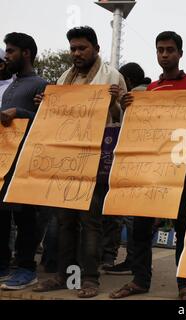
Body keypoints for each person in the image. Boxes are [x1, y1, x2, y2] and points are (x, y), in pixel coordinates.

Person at [110, 31, 186, 300]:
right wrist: (126, 107)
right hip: (149, 168)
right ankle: (140, 280)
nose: (164, 54)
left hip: (181, 165)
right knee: (141, 226)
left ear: (180, 53)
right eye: (160, 50)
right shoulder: (150, 90)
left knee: (182, 225)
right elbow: (137, 129)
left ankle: (185, 285)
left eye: (169, 49)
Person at [32, 26, 127, 299]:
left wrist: (112, 104)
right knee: (65, 222)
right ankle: (65, 276)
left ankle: (90, 279)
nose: (76, 53)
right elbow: (57, 117)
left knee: (90, 222)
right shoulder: (64, 78)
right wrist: (45, 105)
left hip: (95, 159)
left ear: (96, 48)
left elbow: (125, 118)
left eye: (82, 48)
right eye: (73, 48)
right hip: (66, 160)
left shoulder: (112, 76)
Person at [0, 32, 47, 290]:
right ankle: (4, 265)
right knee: (2, 217)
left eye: (11, 51)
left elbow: (46, 123)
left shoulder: (41, 84)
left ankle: (27, 268)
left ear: (26, 53)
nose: (6, 56)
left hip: (27, 163)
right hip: (4, 163)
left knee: (25, 218)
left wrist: (19, 112)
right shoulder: (11, 86)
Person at [102, 62, 151, 276]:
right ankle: (138, 262)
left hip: (131, 162)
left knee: (130, 216)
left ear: (128, 81)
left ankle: (133, 261)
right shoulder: (153, 94)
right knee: (139, 217)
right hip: (150, 164)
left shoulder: (132, 100)